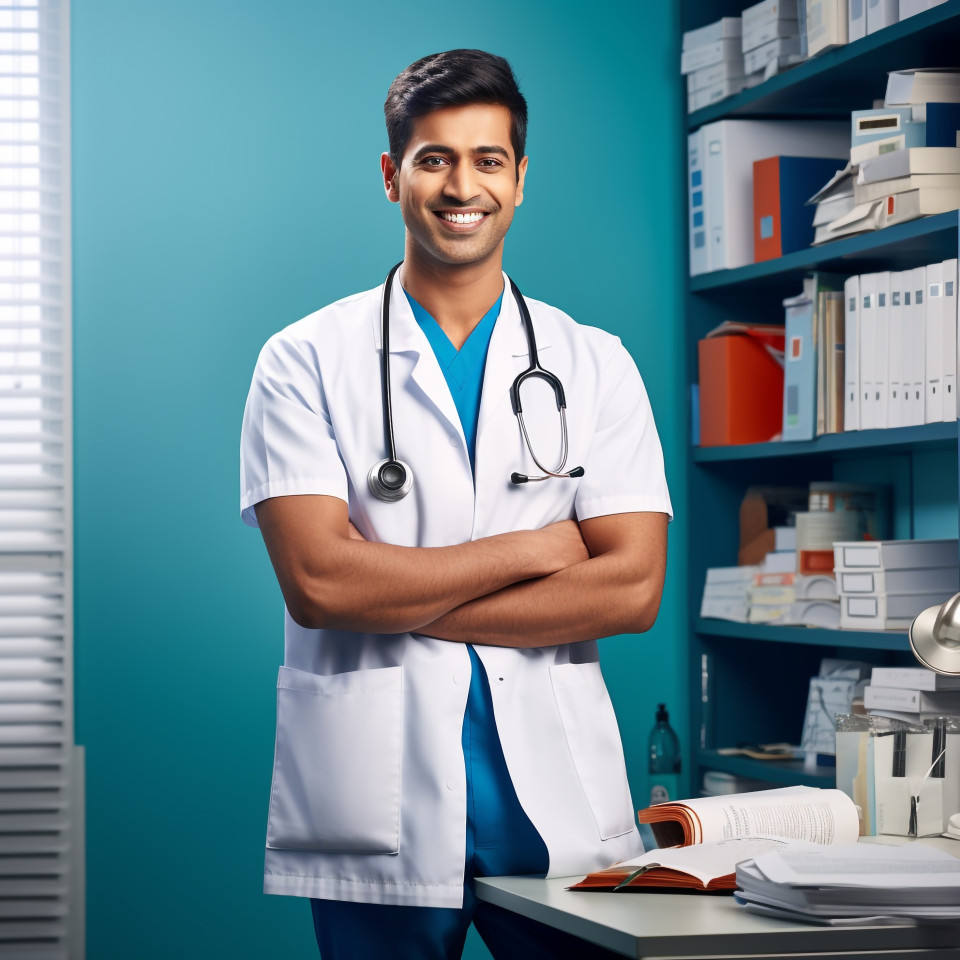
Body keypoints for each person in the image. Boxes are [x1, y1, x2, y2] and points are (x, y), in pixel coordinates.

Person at [240, 48, 672, 960]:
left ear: (520, 181)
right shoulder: (304, 359)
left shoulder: (595, 362)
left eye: (486, 159)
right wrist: (537, 549)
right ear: (393, 176)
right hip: (377, 799)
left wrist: (392, 589)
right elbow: (320, 583)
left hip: (556, 808)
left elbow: (631, 592)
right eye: (433, 158)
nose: (459, 185)